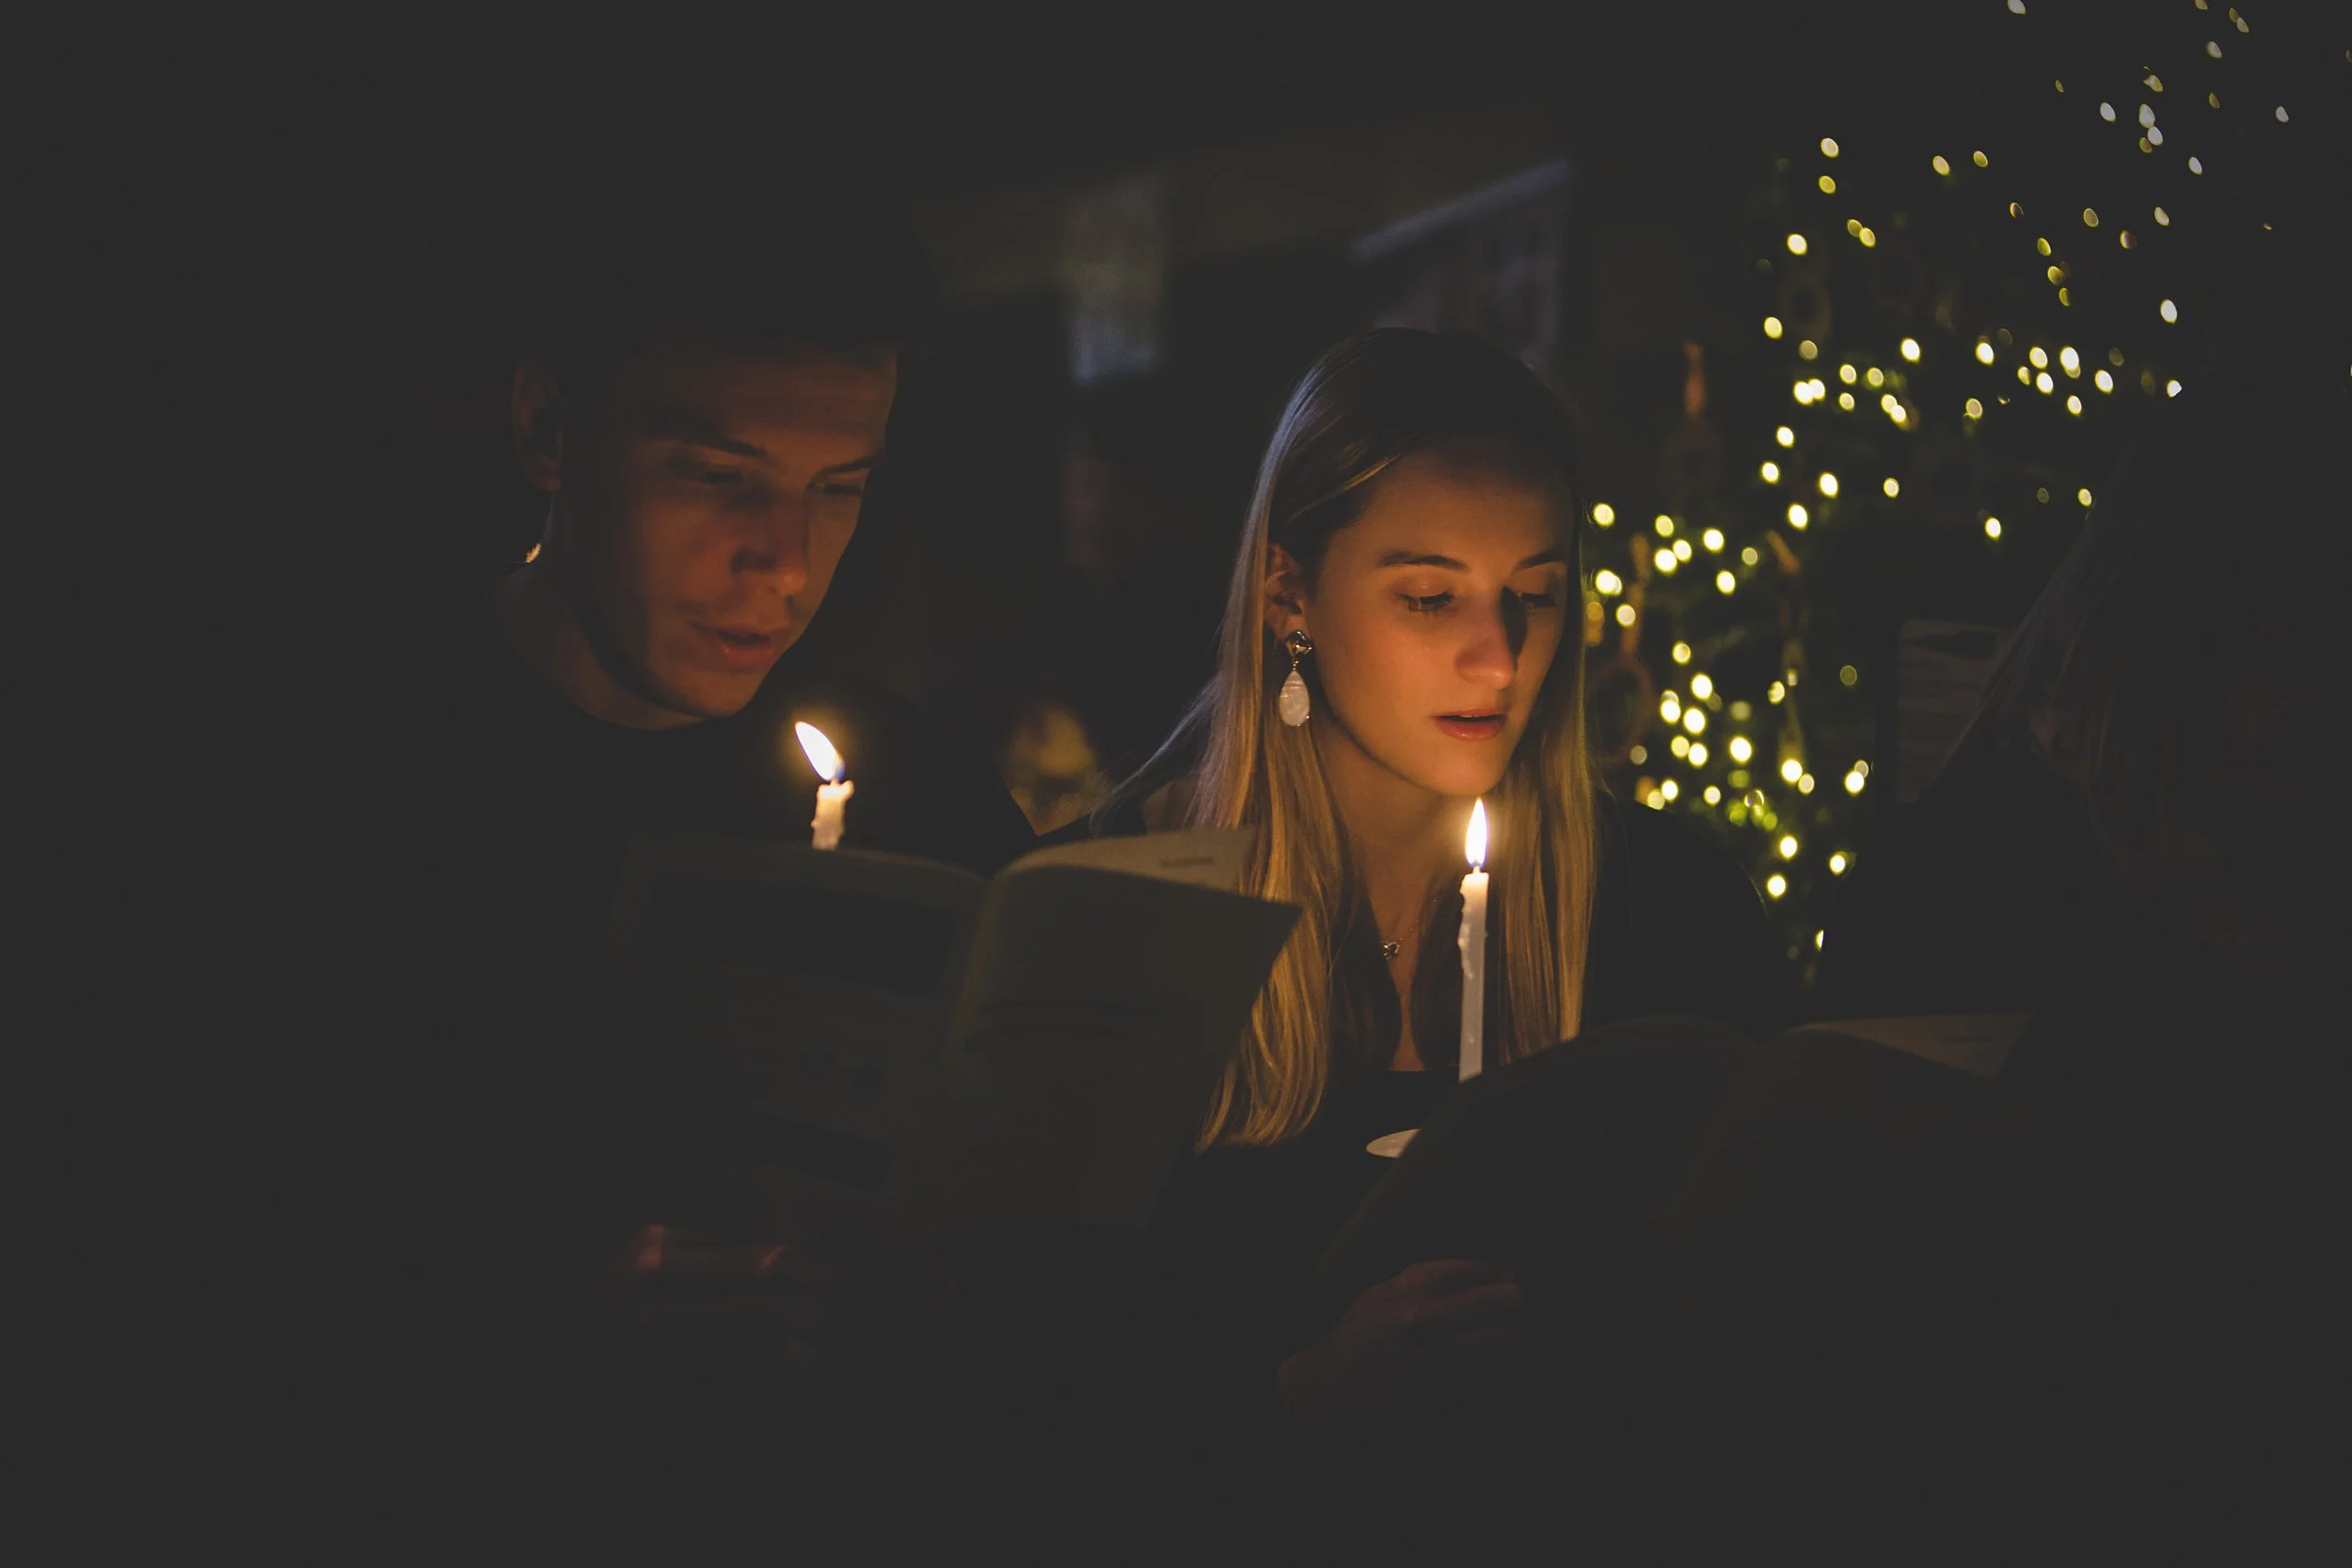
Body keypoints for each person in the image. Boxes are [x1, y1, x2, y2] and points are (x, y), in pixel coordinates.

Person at [253, 111, 1037, 1472]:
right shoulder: (326, 780)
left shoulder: (920, 797)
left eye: (836, 488)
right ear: (553, 428)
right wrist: (527, 1344)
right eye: (719, 477)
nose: (785, 563)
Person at [1046, 328, 1787, 1460]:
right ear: (1290, 594)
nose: (1500, 656)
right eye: (1431, 598)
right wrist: (1292, 1402)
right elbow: (1029, 1395)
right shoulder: (1128, 921)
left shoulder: (1666, 905)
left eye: (1535, 592)